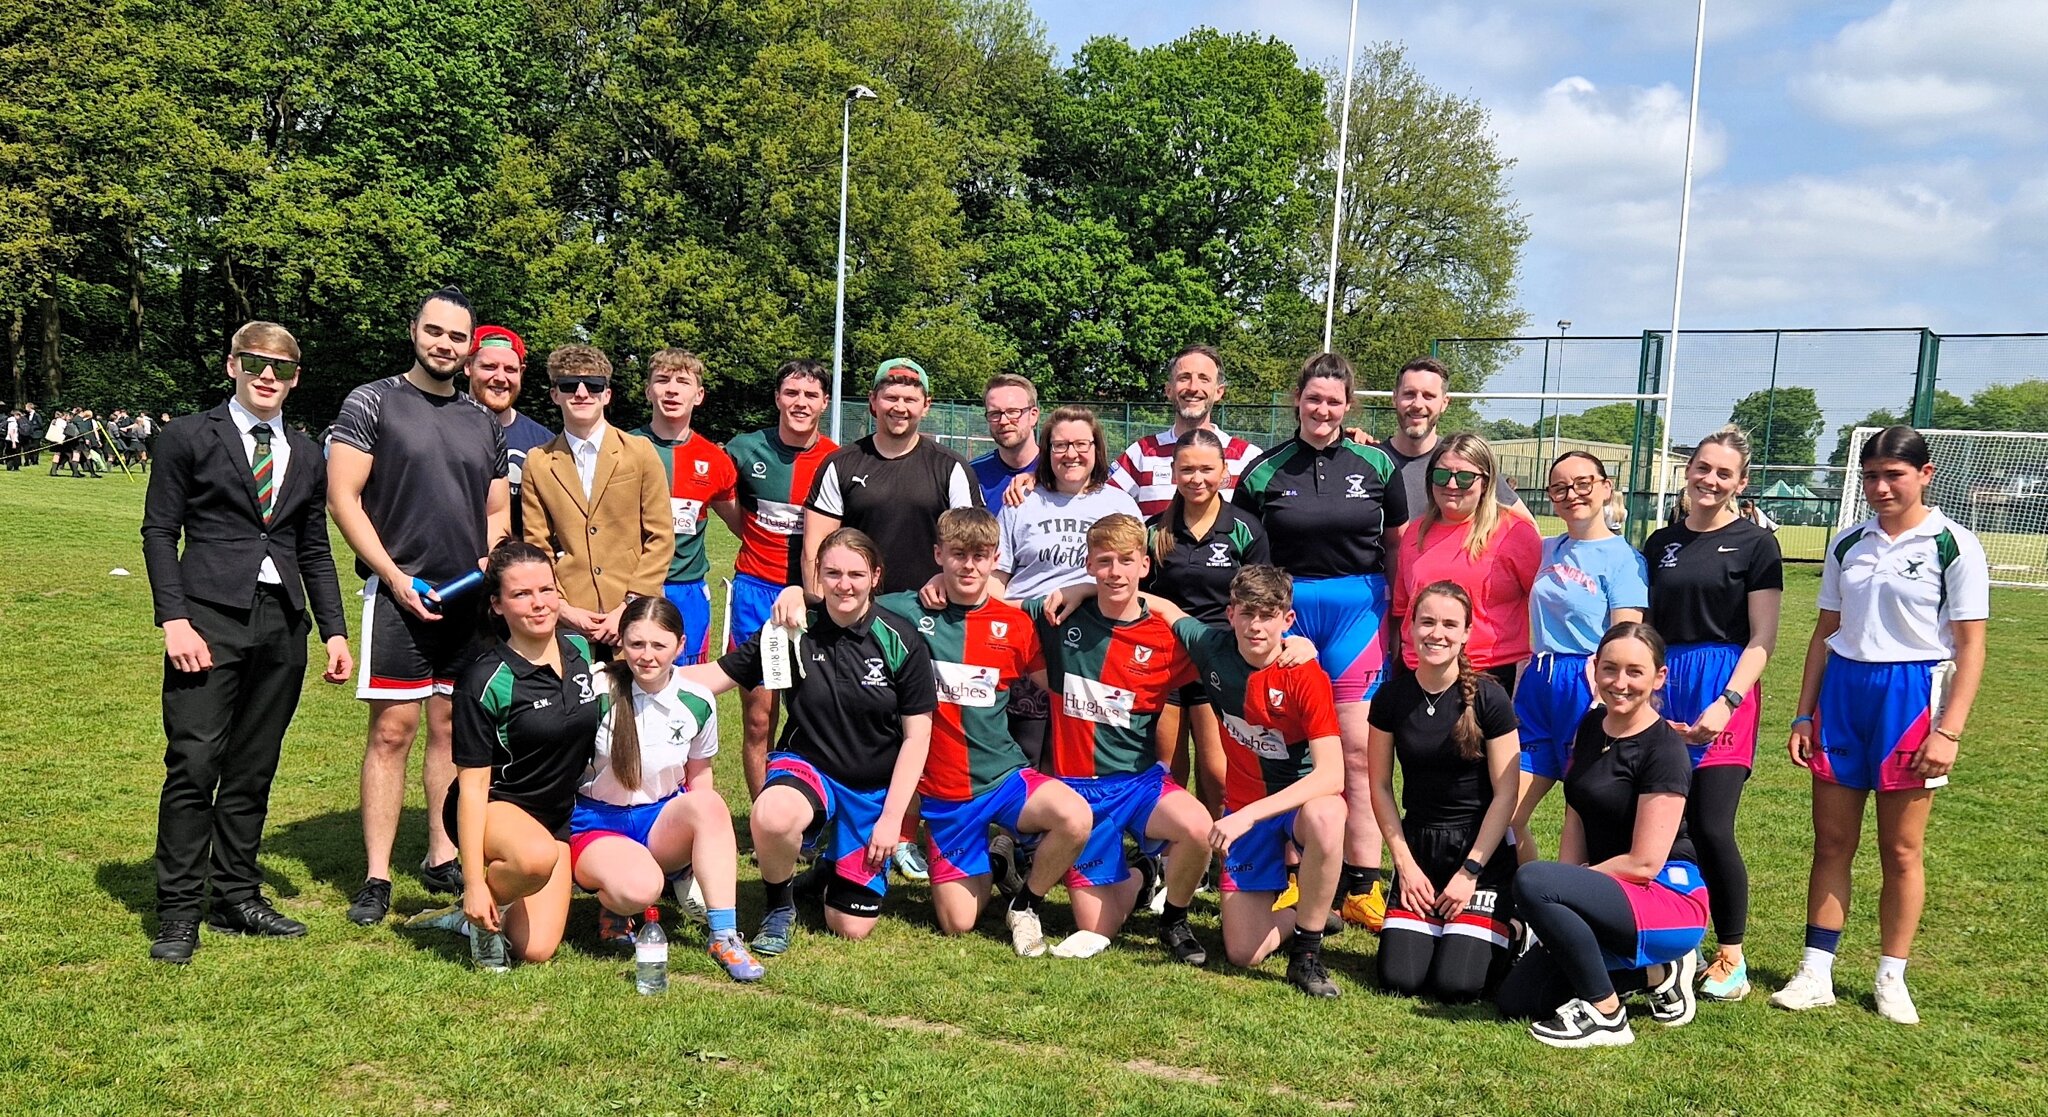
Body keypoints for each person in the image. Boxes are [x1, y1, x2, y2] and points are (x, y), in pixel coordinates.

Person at [140, 322, 354, 963]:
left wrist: (335, 629)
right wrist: (174, 620)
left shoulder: (309, 451)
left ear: (295, 378)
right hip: (207, 618)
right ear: (233, 364)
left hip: (282, 621)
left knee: (253, 767)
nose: (268, 377)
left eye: (282, 368)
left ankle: (236, 893)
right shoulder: (187, 436)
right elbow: (159, 531)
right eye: (257, 363)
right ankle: (178, 910)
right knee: (195, 764)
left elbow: (313, 546)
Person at [1774, 426, 1988, 1025]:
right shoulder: (1848, 543)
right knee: (1833, 841)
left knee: (1900, 848)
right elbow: (1824, 633)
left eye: (1893, 474)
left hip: (1911, 700)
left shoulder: (1954, 545)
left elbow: (1971, 646)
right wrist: (1803, 712)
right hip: (1844, 693)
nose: (1880, 486)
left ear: (1925, 474)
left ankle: (1892, 975)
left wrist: (1948, 731)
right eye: (1871, 475)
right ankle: (1816, 969)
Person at [328, 286, 511, 925]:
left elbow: (495, 510)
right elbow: (344, 498)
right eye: (436, 332)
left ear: (468, 348)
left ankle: (440, 852)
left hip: (467, 601)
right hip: (399, 597)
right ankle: (377, 875)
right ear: (415, 332)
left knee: (450, 728)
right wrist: (395, 576)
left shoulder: (482, 421)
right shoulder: (372, 401)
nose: (446, 345)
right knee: (391, 732)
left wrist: (493, 558)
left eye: (458, 337)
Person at [680, 528, 934, 954]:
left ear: (875, 576)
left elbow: (916, 738)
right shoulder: (791, 630)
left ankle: (830, 867)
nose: (844, 584)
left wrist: (892, 821)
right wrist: (640, 674)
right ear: (817, 575)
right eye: (832, 573)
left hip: (870, 789)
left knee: (850, 925)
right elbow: (717, 675)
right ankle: (780, 907)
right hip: (807, 767)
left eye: (856, 573)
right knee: (773, 813)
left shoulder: (901, 639)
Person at [775, 356, 978, 881]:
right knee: (856, 724)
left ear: (925, 405)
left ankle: (910, 829)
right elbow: (816, 543)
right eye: (891, 396)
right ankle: (831, 819)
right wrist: (815, 596)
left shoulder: (948, 466)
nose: (900, 405)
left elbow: (966, 541)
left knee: (920, 726)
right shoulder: (842, 464)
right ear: (873, 402)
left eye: (911, 398)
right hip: (854, 616)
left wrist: (946, 582)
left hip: (928, 617)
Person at [877, 508, 1093, 956]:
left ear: (996, 558)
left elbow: (1052, 687)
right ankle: (998, 858)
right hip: (944, 796)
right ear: (938, 555)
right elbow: (847, 598)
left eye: (979, 555)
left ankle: (1025, 903)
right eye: (957, 555)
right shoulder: (904, 611)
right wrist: (799, 593)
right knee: (959, 923)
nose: (968, 566)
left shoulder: (1014, 623)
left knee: (1075, 817)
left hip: (1003, 778)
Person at [1235, 352, 1397, 930]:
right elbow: (1247, 549)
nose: (1322, 409)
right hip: (1289, 610)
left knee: (1356, 750)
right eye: (1313, 399)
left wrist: (1397, 612)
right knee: (1283, 746)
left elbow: (1397, 542)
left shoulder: (1376, 462)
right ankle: (1292, 875)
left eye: (1334, 400)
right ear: (1297, 401)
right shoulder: (1262, 469)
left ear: (1348, 405)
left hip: (1359, 611)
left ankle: (1362, 884)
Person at [1494, 622, 1707, 1048]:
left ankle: (1608, 1015)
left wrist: (1570, 886)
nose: (1620, 683)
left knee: (1534, 878)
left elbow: (1645, 863)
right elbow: (1578, 809)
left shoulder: (1665, 750)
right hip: (1609, 891)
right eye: (1610, 669)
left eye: (1635, 671)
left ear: (1659, 677)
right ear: (1594, 670)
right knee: (1517, 1000)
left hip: (1666, 898)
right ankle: (1659, 973)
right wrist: (1570, 881)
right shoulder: (1591, 726)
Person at [1023, 514, 1214, 962]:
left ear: (1144, 566)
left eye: (1126, 561)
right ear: (1088, 564)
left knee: (1199, 828)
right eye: (1103, 562)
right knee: (1097, 928)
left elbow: (1232, 648)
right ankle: (1142, 874)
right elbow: (991, 604)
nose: (1115, 572)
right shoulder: (1058, 615)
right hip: (1077, 792)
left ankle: (1175, 920)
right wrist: (937, 581)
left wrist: (1294, 646)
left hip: (1138, 784)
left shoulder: (1166, 635)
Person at [1639, 426, 1781, 1002]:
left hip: (1724, 688)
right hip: (1665, 683)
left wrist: (1727, 702)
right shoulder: (1659, 542)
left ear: (1740, 483)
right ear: (1688, 470)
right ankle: (1679, 938)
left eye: (1724, 473)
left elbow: (1764, 636)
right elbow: (1646, 627)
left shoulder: (1755, 544)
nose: (1710, 480)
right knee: (1663, 823)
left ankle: (1732, 955)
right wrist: (1645, 692)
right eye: (1702, 468)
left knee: (1712, 825)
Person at [1159, 566, 1347, 997]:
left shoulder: (1305, 673)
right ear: (1230, 614)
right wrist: (1080, 588)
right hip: (1247, 807)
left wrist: (1246, 816)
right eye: (1247, 613)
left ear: (1288, 620)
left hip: (1290, 807)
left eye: (1267, 614)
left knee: (1328, 814)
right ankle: (1307, 909)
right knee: (1243, 953)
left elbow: (1332, 774)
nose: (1255, 625)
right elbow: (1163, 607)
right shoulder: (1212, 647)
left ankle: (1307, 955)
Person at [566, 596, 762, 981]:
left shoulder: (697, 701)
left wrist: (700, 838)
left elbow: (700, 776)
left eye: (659, 645)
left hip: (658, 819)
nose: (647, 656)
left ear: (681, 645)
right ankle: (615, 903)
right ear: (620, 642)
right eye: (636, 644)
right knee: (640, 889)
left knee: (709, 805)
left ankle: (723, 935)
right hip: (595, 822)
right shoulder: (596, 688)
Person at [436, 542, 604, 971]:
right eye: (521, 595)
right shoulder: (483, 680)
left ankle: (466, 915)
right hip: (496, 806)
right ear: (496, 605)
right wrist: (474, 882)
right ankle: (479, 899)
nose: (538, 604)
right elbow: (472, 790)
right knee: (534, 858)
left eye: (546, 590)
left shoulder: (580, 652)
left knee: (535, 950)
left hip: (557, 817)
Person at [1369, 582, 1520, 1002]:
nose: (1438, 633)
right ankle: (1440, 929)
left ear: (1467, 632)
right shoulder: (1391, 697)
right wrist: (1405, 863)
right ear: (1411, 628)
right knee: (1403, 978)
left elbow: (1507, 793)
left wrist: (1470, 873)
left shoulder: (1490, 697)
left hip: (1479, 855)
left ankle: (1515, 928)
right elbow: (1379, 785)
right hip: (1419, 849)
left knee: (1458, 984)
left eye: (1450, 624)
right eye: (1427, 622)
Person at [1511, 453, 1647, 862]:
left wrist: (1607, 699)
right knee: (1504, 815)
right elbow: (1494, 495)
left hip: (1586, 684)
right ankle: (1529, 905)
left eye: (1583, 484)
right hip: (1538, 682)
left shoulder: (1624, 559)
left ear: (1606, 488)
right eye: (1560, 487)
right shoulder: (1544, 548)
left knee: (1584, 817)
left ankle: (1574, 910)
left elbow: (1627, 639)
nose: (1572, 494)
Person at [723, 360, 837, 799]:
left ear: (825, 403)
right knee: (758, 717)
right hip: (757, 593)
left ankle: (813, 806)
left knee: (816, 711)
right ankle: (761, 812)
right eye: (791, 393)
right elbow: (728, 508)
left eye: (810, 395)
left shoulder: (836, 459)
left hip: (816, 598)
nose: (800, 403)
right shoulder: (744, 449)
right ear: (777, 398)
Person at [1143, 428, 1270, 819]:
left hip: (1221, 659)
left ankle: (1220, 853)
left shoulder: (1245, 528)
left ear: (1225, 473)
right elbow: (1135, 592)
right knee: (1168, 769)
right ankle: (1170, 857)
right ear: (1173, 472)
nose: (1196, 478)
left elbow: (1262, 596)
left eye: (1206, 469)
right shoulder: (1153, 531)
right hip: (1167, 660)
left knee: (1217, 773)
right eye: (1186, 470)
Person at [519, 343, 673, 650]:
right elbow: (537, 546)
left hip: (634, 613)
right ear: (554, 395)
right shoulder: (538, 461)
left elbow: (661, 536)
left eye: (592, 385)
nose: (581, 393)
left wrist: (630, 603)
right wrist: (561, 606)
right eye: (568, 385)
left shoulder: (640, 452)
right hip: (569, 615)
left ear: (606, 394)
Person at [1388, 434, 1543, 690]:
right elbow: (1403, 611)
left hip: (1488, 672)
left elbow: (1542, 606)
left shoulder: (1515, 533)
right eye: (1441, 475)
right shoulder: (1415, 534)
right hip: (1419, 671)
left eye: (1464, 477)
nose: (1451, 484)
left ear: (1486, 482)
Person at [628, 349, 739, 665]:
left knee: (686, 686)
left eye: (683, 381)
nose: (672, 389)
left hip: (687, 592)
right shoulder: (622, 448)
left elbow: (743, 526)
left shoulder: (716, 460)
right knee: (628, 683)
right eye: (662, 380)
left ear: (699, 394)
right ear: (649, 390)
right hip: (631, 586)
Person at [998, 406, 1142, 599]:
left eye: (1081, 444)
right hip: (1026, 618)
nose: (1071, 454)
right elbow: (995, 580)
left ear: (1096, 449)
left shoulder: (1121, 505)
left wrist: (1085, 591)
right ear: (1047, 451)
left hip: (1095, 621)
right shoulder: (1020, 500)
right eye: (1060, 445)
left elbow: (1132, 580)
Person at [1380, 357, 1528, 528]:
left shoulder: (1462, 460)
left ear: (1444, 403)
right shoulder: (1369, 460)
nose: (1418, 404)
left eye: (1429, 396)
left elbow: (1526, 525)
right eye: (1409, 394)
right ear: (1394, 398)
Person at [467, 325, 554, 540]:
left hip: (511, 568)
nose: (500, 377)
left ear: (521, 372)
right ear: (467, 366)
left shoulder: (544, 446)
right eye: (489, 366)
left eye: (510, 369)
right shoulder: (438, 428)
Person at [970, 373, 1040, 507]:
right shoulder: (972, 474)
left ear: (1033, 415)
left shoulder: (1057, 471)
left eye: (1013, 412)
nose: (1003, 421)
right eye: (995, 414)